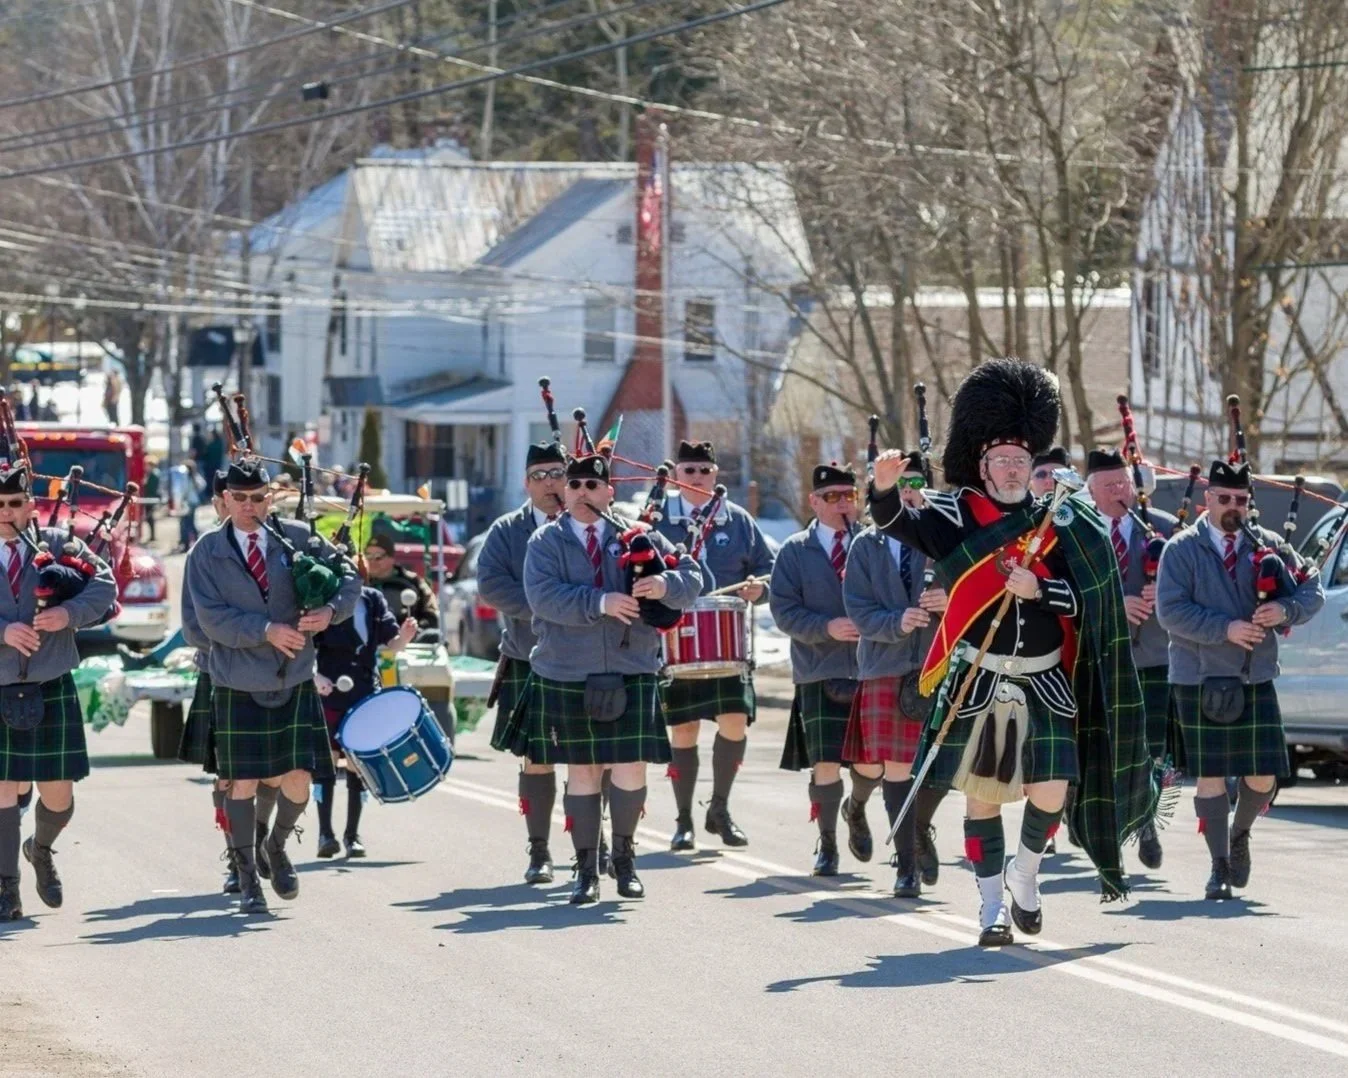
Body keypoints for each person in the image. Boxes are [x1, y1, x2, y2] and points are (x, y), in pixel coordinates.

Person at [869, 358, 1157, 947]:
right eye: (999, 460)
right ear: (981, 464)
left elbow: (1091, 603)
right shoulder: (954, 518)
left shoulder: (1065, 522)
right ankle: (991, 907)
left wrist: (1040, 588)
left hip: (1044, 681)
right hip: (985, 683)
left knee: (1049, 793)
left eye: (1020, 461)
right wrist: (880, 486)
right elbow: (898, 521)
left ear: (1034, 467)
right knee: (984, 799)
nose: (1009, 469)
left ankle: (1025, 875)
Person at [496, 452, 702, 904]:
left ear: (610, 491)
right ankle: (586, 869)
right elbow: (543, 597)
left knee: (630, 767)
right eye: (575, 486)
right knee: (584, 771)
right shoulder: (545, 542)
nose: (584, 493)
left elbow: (693, 575)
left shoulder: (637, 536)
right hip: (566, 669)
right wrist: (600, 602)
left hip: (631, 668)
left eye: (594, 485)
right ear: (565, 493)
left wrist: (664, 585)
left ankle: (625, 862)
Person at [185, 457, 361, 914]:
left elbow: (349, 576)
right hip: (237, 680)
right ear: (224, 500)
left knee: (300, 778)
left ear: (271, 498)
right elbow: (210, 619)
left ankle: (276, 847)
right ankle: (247, 880)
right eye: (239, 498)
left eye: (258, 498)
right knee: (241, 782)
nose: (249, 506)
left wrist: (331, 612)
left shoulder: (298, 538)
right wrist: (265, 630)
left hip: (294, 677)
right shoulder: (206, 552)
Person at [1155, 458, 1323, 900]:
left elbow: (1313, 588)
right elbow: (1170, 612)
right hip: (1198, 677)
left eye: (1242, 500)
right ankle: (1218, 867)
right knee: (1211, 775)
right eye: (1225, 498)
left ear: (1250, 502)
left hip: (1254, 676)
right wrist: (1225, 628)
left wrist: (1285, 610)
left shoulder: (1266, 545)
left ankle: (1240, 835)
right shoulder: (1181, 550)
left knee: (1264, 776)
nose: (1233, 506)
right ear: (1207, 498)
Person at [0, 444, 119, 920]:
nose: (6, 513)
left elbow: (105, 585)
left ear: (29, 504)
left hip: (50, 680)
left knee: (58, 793)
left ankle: (41, 849)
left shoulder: (57, 542)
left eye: (13, 504)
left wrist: (68, 613)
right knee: (4, 787)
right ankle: (6, 887)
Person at [654, 439, 775, 851]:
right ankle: (684, 819)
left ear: (715, 475)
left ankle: (719, 808)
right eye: (690, 471)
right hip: (676, 643)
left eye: (705, 471)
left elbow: (768, 569)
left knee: (734, 723)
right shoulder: (657, 520)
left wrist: (760, 588)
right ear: (675, 476)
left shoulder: (737, 520)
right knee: (684, 730)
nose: (698, 478)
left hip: (727, 643)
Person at [842, 450, 948, 897]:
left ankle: (917, 826)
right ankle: (905, 866)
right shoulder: (865, 545)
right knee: (889, 768)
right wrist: (895, 622)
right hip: (885, 665)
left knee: (941, 768)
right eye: (900, 483)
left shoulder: (944, 535)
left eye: (917, 483)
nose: (909, 491)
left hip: (936, 664)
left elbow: (976, 588)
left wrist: (950, 599)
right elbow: (858, 610)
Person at [769, 462, 865, 876]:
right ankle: (827, 844)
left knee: (870, 764)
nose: (842, 503)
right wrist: (825, 627)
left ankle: (856, 806)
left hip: (871, 668)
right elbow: (783, 611)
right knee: (825, 761)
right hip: (819, 669)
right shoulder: (794, 550)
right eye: (832, 497)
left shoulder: (872, 544)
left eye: (849, 496)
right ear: (813, 501)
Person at [1086, 447, 1178, 871]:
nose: (1120, 491)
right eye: (1110, 486)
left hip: (1155, 655)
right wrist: (1114, 603)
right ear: (1092, 490)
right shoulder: (1080, 532)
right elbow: (1065, 591)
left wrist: (1163, 597)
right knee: (1112, 745)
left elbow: (1188, 586)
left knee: (1153, 748)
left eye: (1124, 482)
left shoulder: (1163, 530)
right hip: (1102, 654)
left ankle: (1145, 821)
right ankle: (1121, 821)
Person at [480, 442, 568, 884]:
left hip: (589, 659)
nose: (550, 482)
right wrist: (547, 607)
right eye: (540, 475)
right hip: (530, 658)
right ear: (526, 483)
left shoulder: (591, 524)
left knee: (597, 758)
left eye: (557, 472)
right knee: (538, 757)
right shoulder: (506, 531)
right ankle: (540, 850)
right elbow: (491, 586)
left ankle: (597, 845)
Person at [313, 587, 417, 858]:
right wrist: (315, 677)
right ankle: (325, 834)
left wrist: (404, 637)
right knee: (327, 761)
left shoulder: (372, 599)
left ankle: (352, 835)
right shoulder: (321, 599)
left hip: (364, 692)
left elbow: (391, 645)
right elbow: (303, 648)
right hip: (329, 692)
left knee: (358, 764)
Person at [364, 533, 438, 631]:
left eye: (378, 557)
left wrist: (417, 629)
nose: (372, 561)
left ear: (391, 558)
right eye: (368, 556)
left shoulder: (413, 581)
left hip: (408, 640)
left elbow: (431, 612)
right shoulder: (360, 582)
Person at [142, 457, 162, 543]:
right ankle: (152, 536)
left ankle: (152, 536)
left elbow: (152, 488)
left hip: (151, 498)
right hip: (149, 498)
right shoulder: (150, 474)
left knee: (150, 517)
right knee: (149, 518)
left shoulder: (154, 475)